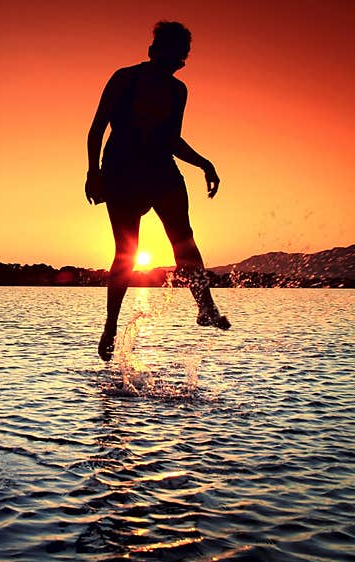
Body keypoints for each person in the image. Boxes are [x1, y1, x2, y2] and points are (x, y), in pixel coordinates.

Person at [85, 20, 230, 361]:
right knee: (125, 253)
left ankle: (205, 308)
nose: (176, 65)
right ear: (152, 52)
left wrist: (203, 163)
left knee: (185, 239)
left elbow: (171, 139)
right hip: (121, 172)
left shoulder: (178, 91)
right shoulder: (125, 79)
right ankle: (110, 327)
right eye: (171, 57)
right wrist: (94, 174)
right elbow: (96, 129)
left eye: (181, 60)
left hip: (162, 171)